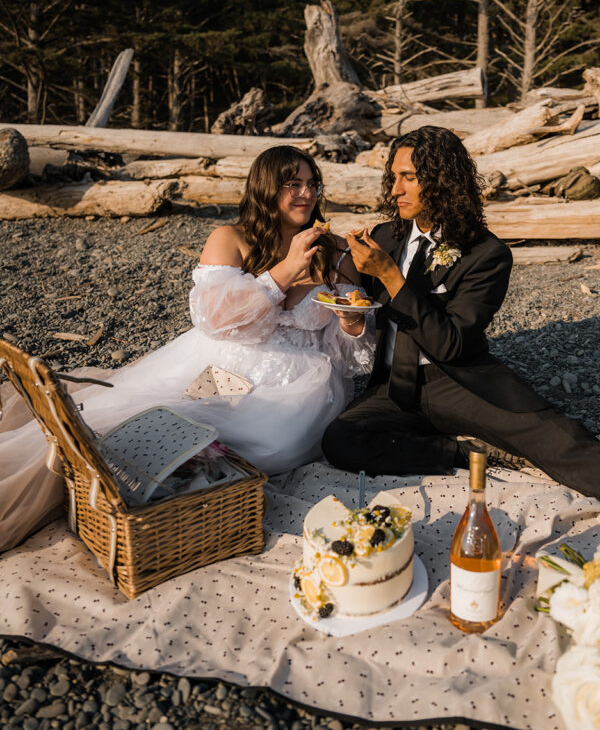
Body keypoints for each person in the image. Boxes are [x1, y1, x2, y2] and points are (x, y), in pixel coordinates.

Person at [0, 146, 373, 552]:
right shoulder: (230, 238)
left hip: (299, 384)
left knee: (270, 439)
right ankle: (90, 479)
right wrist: (283, 273)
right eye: (293, 184)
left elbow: (353, 356)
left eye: (312, 184)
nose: (306, 194)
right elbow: (215, 321)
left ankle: (161, 489)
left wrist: (353, 326)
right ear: (267, 188)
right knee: (135, 419)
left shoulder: (334, 249)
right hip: (219, 363)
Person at [321, 126, 600, 534]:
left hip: (457, 381)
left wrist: (390, 275)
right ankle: (462, 451)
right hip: (395, 387)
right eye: (394, 176)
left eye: (409, 177)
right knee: (340, 440)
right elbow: (354, 290)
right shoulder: (388, 236)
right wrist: (333, 252)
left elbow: (451, 343)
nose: (395, 189)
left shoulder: (486, 254)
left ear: (440, 181)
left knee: (559, 440)